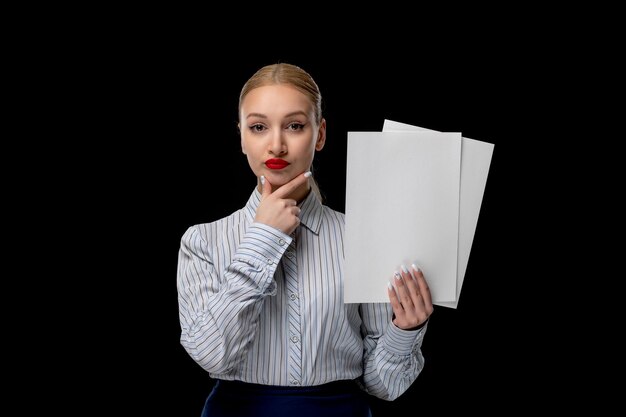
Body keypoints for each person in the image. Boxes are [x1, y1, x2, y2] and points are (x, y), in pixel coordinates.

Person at [176, 62, 434, 417]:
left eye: (295, 126)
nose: (277, 144)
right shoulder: (202, 241)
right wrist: (263, 239)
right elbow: (211, 353)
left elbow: (383, 386)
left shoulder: (365, 236)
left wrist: (407, 329)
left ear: (321, 134)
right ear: (241, 137)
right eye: (258, 127)